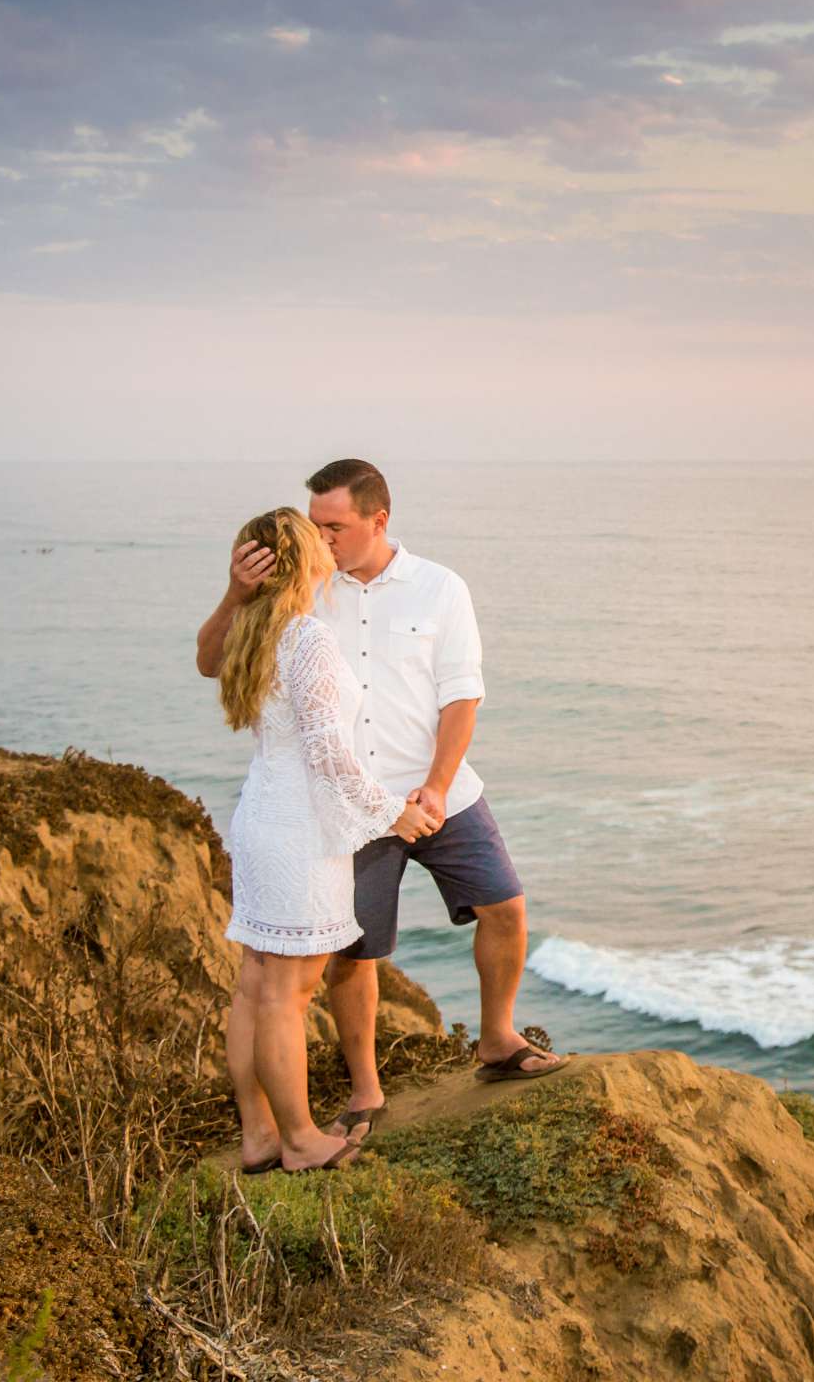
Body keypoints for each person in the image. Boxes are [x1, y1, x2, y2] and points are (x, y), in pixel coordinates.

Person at [197, 459, 562, 1146]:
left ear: (379, 520)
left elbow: (462, 695)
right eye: (315, 525)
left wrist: (438, 784)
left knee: (505, 906)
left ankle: (497, 1039)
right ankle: (366, 1090)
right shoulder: (301, 592)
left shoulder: (439, 588)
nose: (321, 537)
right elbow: (215, 662)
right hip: (343, 806)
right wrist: (233, 592)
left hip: (438, 789)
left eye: (334, 525)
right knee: (353, 955)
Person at [211, 508, 437, 1174]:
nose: (327, 547)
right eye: (318, 540)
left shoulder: (256, 628)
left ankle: (259, 1137)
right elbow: (328, 754)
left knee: (256, 985)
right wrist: (392, 811)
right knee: (287, 992)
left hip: (261, 818)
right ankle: (303, 1139)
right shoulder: (305, 636)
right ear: (304, 559)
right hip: (299, 834)